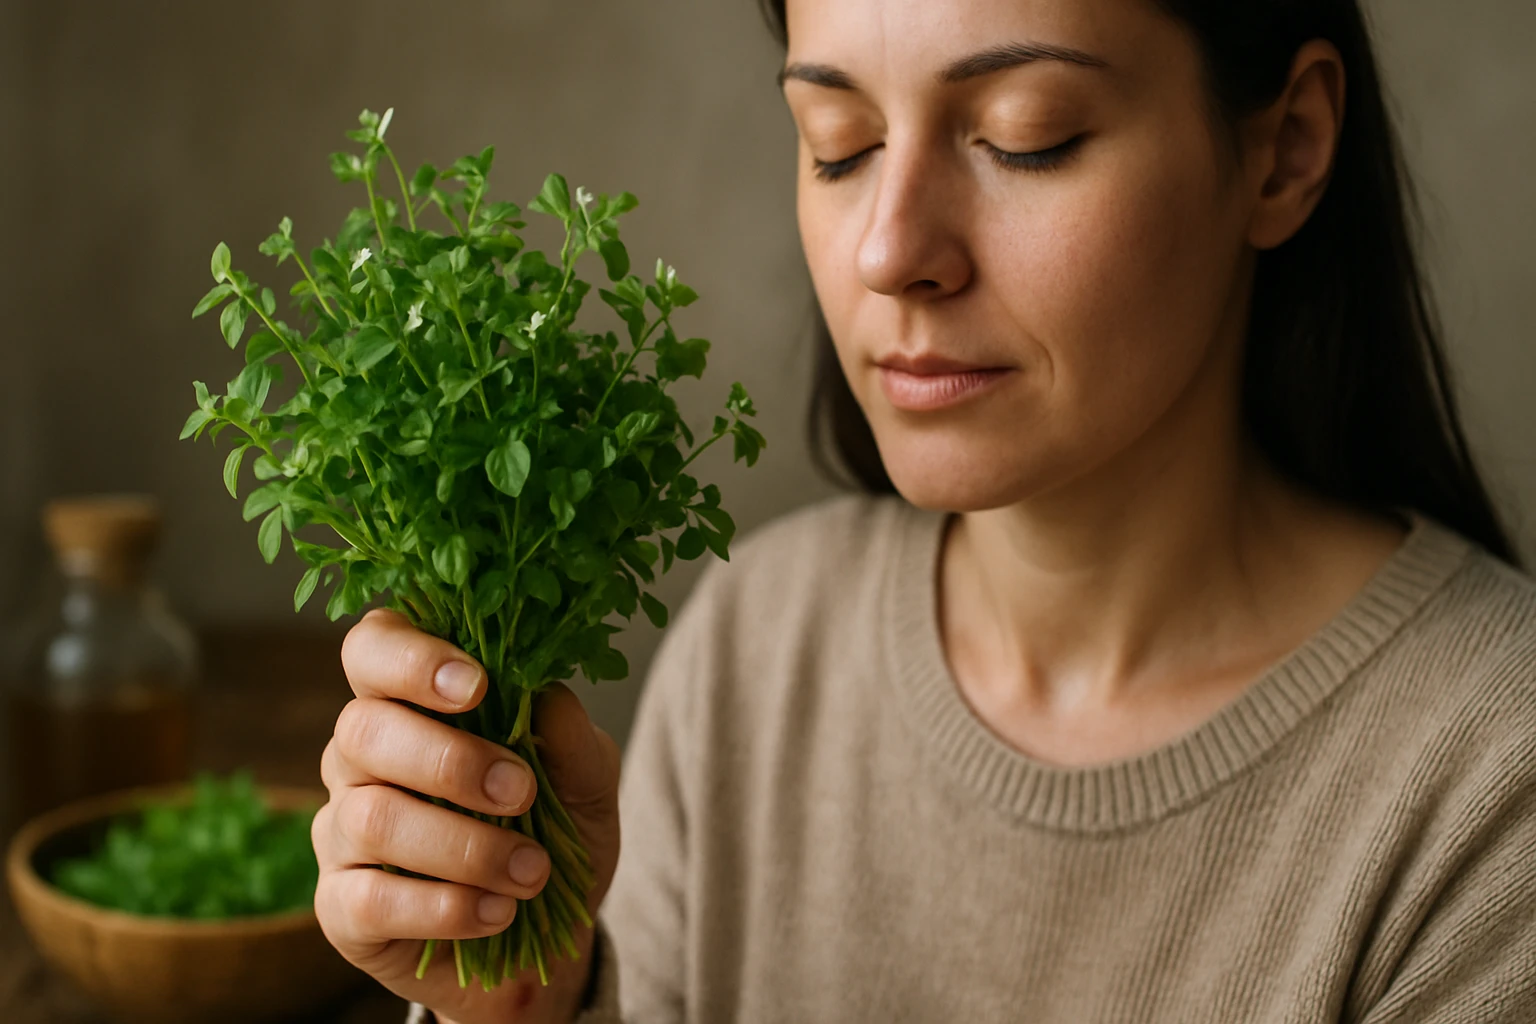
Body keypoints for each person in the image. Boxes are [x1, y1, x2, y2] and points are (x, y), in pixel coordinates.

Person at [310, 1, 1536, 1021]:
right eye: (839, 145)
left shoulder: (1490, 779)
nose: (888, 251)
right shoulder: (758, 646)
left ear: (1287, 149)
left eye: (1026, 137)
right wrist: (533, 1010)